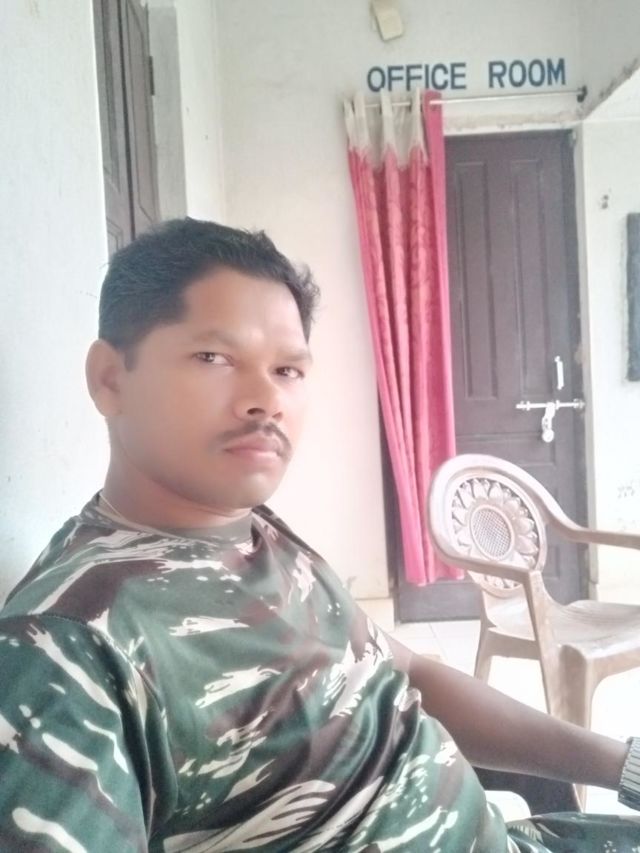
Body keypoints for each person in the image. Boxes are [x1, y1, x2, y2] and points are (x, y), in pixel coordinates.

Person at [0, 218, 638, 853]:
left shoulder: (254, 528)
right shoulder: (65, 649)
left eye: (287, 370)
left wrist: (625, 766)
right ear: (110, 379)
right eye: (214, 357)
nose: (265, 399)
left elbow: (407, 669)